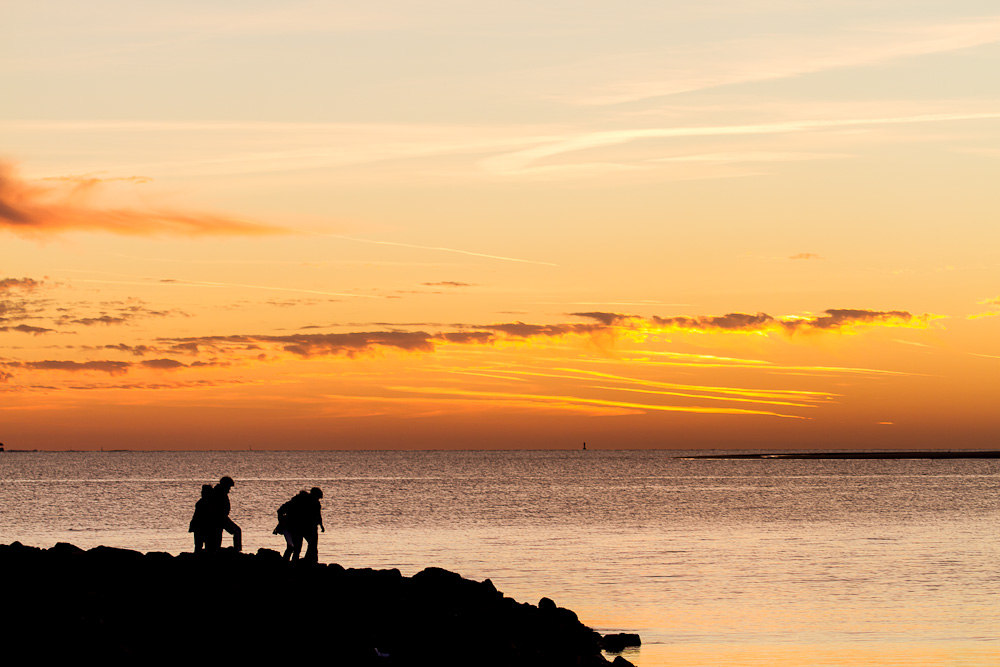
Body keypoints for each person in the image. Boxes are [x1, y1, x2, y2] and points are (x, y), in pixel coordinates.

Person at [208, 476, 242, 552]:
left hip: (222, 517)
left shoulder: (219, 492)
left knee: (236, 531)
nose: (229, 490)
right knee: (235, 531)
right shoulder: (219, 493)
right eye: (229, 487)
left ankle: (237, 550)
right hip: (220, 518)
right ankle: (237, 550)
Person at [274, 490, 309, 561]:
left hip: (296, 528)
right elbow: (280, 511)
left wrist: (281, 521)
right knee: (294, 547)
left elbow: (280, 511)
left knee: (293, 547)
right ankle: (290, 562)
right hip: (292, 527)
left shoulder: (293, 503)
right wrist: (281, 521)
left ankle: (288, 562)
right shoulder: (294, 504)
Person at [301, 487, 325, 564]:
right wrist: (321, 525)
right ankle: (311, 560)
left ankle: (310, 559)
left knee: (311, 543)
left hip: (304, 525)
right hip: (311, 526)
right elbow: (318, 515)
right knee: (313, 543)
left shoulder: (305, 501)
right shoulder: (315, 503)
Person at [188, 484, 213, 553]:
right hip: (200, 527)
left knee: (202, 545)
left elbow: (197, 515)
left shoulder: (204, 502)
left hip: (203, 527)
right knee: (200, 545)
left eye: (203, 491)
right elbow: (196, 515)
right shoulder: (203, 502)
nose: (202, 493)